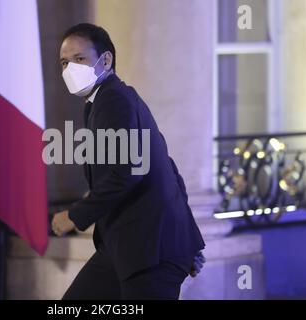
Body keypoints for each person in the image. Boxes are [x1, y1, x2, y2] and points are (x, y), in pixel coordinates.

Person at [52, 23, 206, 300]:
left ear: (106, 60)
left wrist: (75, 216)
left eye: (79, 59)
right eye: (64, 62)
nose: (69, 70)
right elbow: (167, 166)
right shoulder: (102, 102)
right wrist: (188, 242)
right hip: (125, 248)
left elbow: (126, 172)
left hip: (150, 253)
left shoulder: (114, 99)